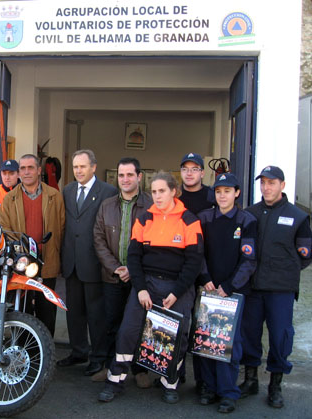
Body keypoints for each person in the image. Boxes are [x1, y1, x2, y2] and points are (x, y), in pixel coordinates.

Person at [98, 171, 203, 404]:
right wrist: (141, 288)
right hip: (146, 285)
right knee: (127, 332)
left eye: (162, 191)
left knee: (176, 338)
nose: (157, 196)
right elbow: (133, 256)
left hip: (178, 288)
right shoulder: (145, 218)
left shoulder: (189, 220)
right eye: (154, 191)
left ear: (173, 192)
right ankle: (115, 380)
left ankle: (170, 384)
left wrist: (176, 293)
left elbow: (194, 262)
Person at [240, 166, 312, 408]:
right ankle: (250, 380)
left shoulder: (298, 216)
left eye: (272, 183)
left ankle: (275, 384)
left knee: (280, 337)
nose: (266, 187)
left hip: (280, 289)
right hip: (253, 288)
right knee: (249, 333)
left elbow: (305, 254)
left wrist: (284, 271)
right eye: (263, 183)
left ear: (282, 185)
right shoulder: (249, 213)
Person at [196, 173, 257, 413]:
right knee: (207, 341)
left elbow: (249, 260)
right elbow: (197, 253)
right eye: (219, 191)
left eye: (228, 191)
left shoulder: (246, 220)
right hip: (209, 289)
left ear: (237, 193)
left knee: (229, 344)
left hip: (233, 292)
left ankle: (228, 393)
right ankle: (210, 388)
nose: (222, 195)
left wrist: (229, 286)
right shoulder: (204, 218)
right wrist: (206, 279)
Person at [57, 149, 118, 377]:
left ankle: (98, 357)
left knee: (96, 314)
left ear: (93, 167)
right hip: (72, 261)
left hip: (94, 262)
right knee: (74, 312)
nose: (78, 171)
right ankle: (78, 351)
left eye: (82, 166)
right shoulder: (68, 190)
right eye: (75, 167)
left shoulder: (108, 191)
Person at [93, 157, 153, 386]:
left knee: (139, 325)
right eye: (121, 175)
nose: (125, 179)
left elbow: (155, 243)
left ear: (139, 176)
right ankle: (110, 367)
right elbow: (98, 239)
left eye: (130, 175)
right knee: (111, 323)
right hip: (112, 276)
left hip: (141, 279)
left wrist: (134, 270)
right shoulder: (107, 205)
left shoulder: (151, 205)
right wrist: (116, 268)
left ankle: (140, 370)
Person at [0, 154, 65, 336]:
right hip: (22, 265)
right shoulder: (10, 199)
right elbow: (5, 229)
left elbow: (61, 228)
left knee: (47, 313)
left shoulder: (55, 197)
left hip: (47, 262)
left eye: (31, 168)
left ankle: (45, 354)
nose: (27, 172)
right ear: (19, 173)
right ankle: (23, 354)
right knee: (22, 312)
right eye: (23, 169)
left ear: (39, 171)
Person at [178, 152, 215, 390]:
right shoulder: (176, 198)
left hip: (208, 274)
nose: (189, 173)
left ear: (203, 172)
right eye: (185, 169)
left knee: (205, 330)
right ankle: (174, 375)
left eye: (194, 169)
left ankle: (205, 381)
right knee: (180, 326)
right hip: (181, 272)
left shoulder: (215, 196)